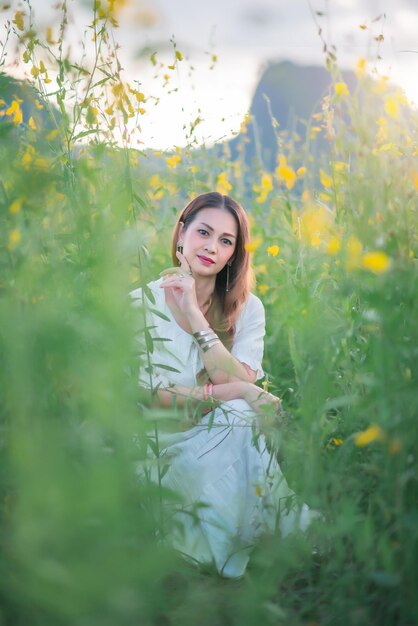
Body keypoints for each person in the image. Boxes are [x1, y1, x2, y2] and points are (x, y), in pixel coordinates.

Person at [131, 192, 316, 578]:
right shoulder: (139, 305)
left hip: (220, 438)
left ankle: (215, 549)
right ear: (181, 234)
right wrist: (240, 391)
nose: (211, 247)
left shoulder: (248, 309)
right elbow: (150, 399)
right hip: (158, 450)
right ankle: (276, 531)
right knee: (238, 409)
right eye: (203, 232)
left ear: (234, 254)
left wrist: (196, 317)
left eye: (226, 241)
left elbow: (228, 378)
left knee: (237, 417)